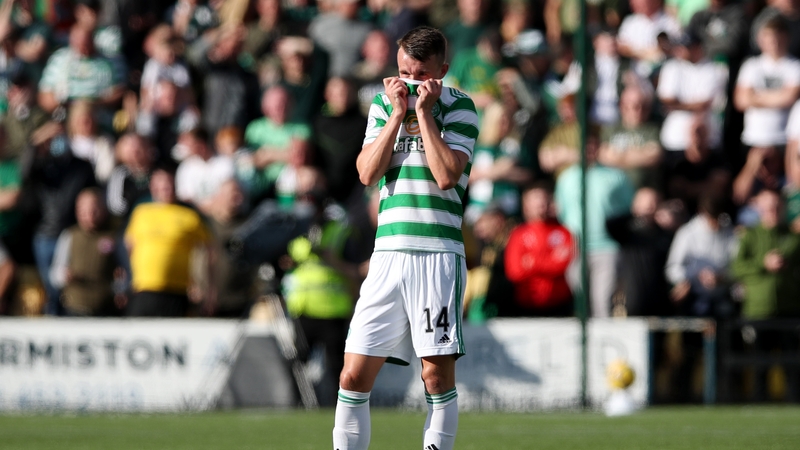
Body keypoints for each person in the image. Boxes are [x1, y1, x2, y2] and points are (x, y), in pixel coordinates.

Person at [333, 26, 479, 450]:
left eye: (420, 75)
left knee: (434, 376)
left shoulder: (461, 107)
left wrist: (425, 113)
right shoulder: (382, 104)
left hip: (437, 254)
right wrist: (399, 114)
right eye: (402, 72)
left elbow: (446, 174)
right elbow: (365, 173)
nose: (409, 82)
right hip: (388, 255)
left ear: (442, 71)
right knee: (353, 374)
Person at [124, 164, 213, 317]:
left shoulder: (189, 216)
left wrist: (204, 286)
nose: (166, 188)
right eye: (161, 183)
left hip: (176, 291)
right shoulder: (141, 212)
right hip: (144, 289)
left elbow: (210, 251)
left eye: (169, 183)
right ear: (153, 186)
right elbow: (129, 246)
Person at [504, 183, 574, 317]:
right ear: (526, 205)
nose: (541, 203)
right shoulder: (518, 234)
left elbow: (563, 265)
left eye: (544, 199)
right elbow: (514, 271)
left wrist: (531, 262)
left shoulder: (563, 232)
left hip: (559, 306)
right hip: (526, 306)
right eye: (536, 199)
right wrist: (550, 260)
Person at [49, 187, 122, 316]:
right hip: (74, 308)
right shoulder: (70, 235)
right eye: (84, 212)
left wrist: (120, 289)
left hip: (104, 308)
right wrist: (64, 275)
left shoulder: (113, 236)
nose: (90, 216)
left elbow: (121, 271)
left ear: (103, 209)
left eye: (94, 211)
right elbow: (55, 272)